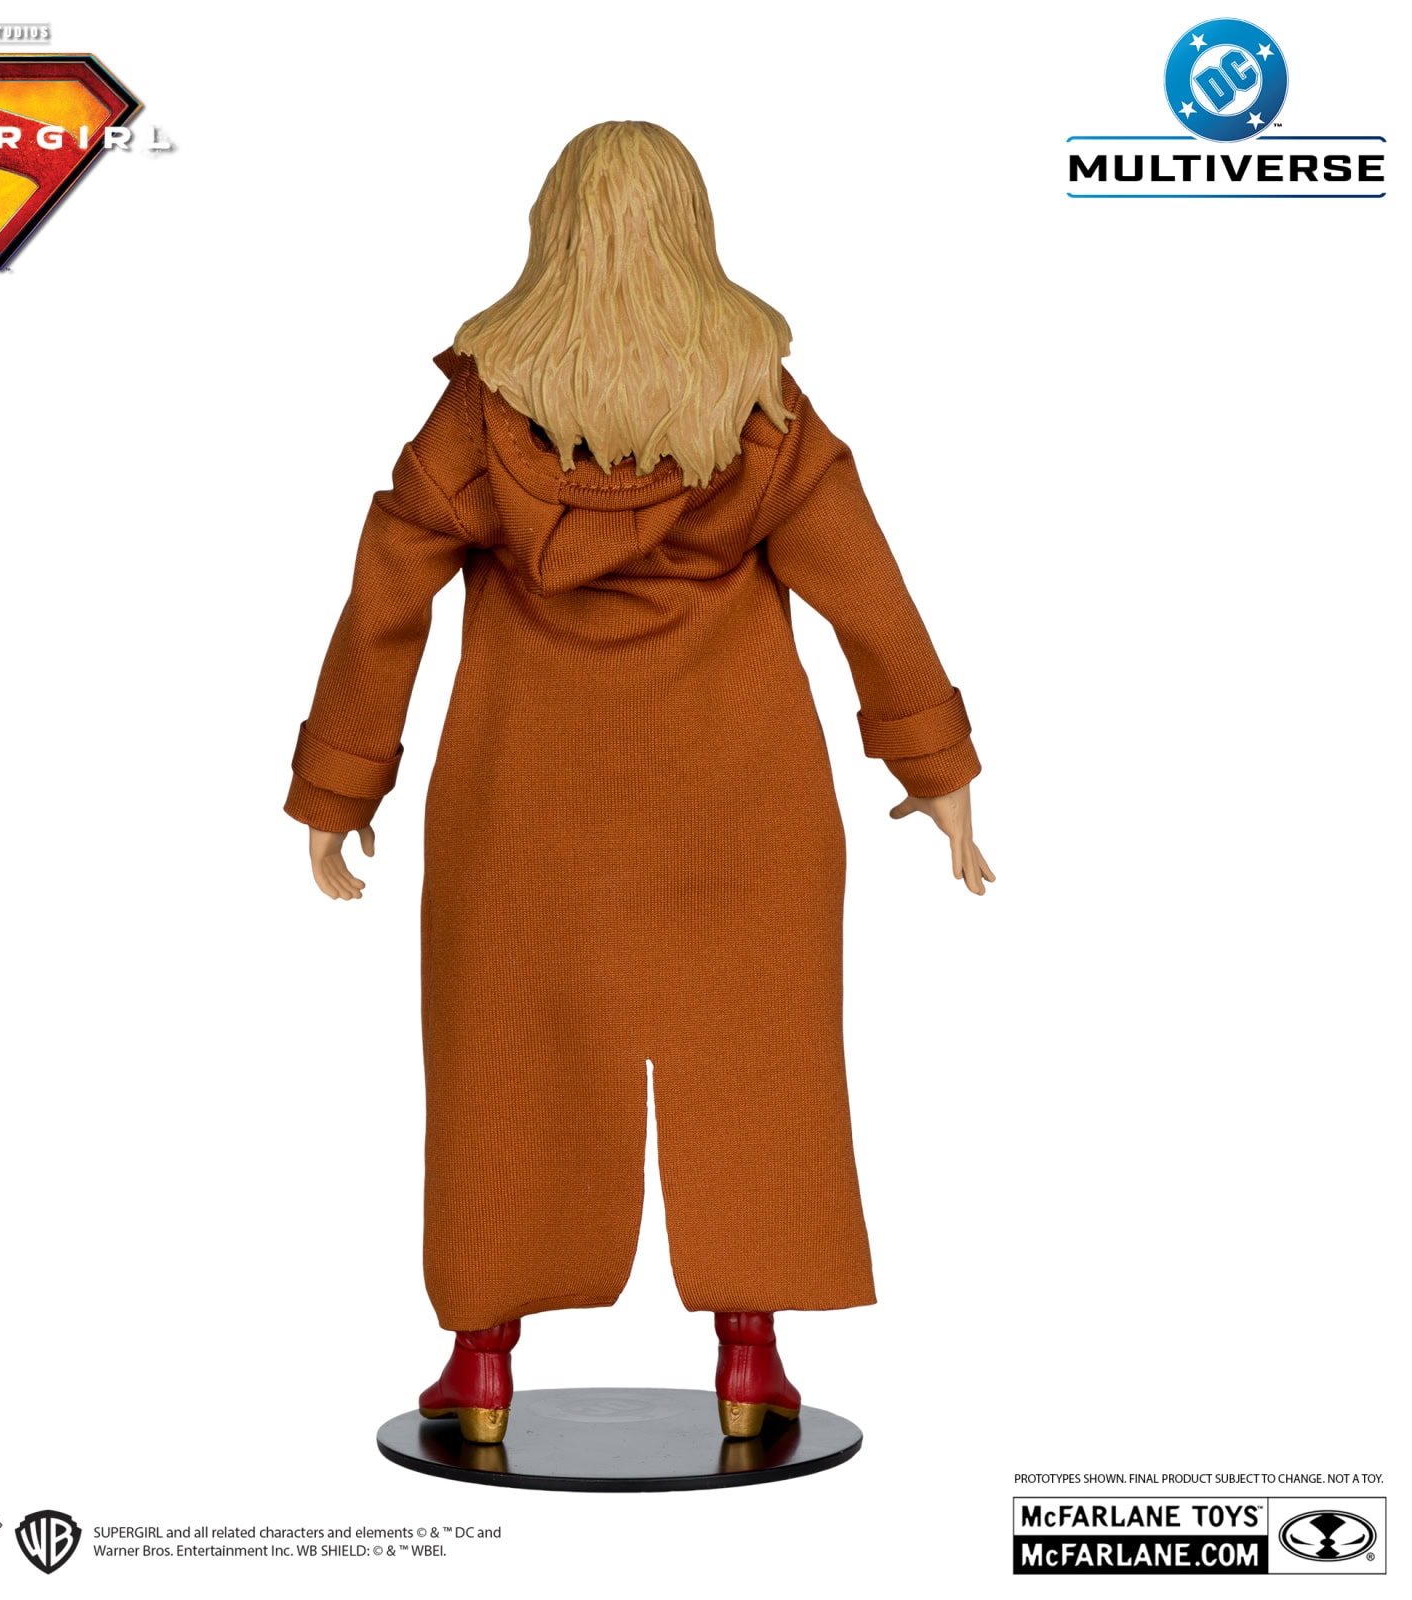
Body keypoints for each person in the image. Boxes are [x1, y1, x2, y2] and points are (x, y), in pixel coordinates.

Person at [284, 121, 992, 1446]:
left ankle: (479, 1369)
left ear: (551, 232)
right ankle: (752, 1361)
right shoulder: (762, 407)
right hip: (743, 798)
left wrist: (340, 787)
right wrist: (936, 770)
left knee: (503, 1068)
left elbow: (388, 595)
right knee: (759, 1060)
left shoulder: (482, 410)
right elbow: (867, 589)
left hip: (524, 804)